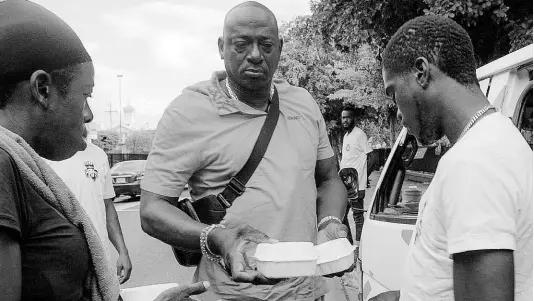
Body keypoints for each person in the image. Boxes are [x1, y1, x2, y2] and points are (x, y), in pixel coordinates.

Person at [0, 1, 212, 300]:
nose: (87, 115)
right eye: (85, 95)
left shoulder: (22, 168)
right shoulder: (2, 166)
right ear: (42, 89)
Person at [140, 1, 350, 300]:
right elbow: (152, 210)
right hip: (229, 294)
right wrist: (216, 238)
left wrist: (329, 222)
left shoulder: (302, 103)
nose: (255, 55)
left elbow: (329, 178)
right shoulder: (187, 112)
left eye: (265, 45)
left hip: (306, 291)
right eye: (241, 44)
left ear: (279, 47)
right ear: (221, 46)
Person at [371, 15, 532, 301]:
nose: (397, 110)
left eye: (393, 93)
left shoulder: (473, 161)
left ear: (421, 71)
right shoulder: (494, 141)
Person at [45, 125, 133, 285]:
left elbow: (107, 206)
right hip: (62, 265)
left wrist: (122, 251)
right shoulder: (44, 155)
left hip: (100, 263)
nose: (87, 115)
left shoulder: (98, 154)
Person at [339, 105, 373, 247]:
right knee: (341, 215)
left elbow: (372, 157)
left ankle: (359, 246)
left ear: (353, 118)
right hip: (345, 183)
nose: (344, 120)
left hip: (356, 185)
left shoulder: (359, 134)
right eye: (343, 118)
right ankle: (349, 244)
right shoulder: (346, 136)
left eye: (347, 117)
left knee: (358, 216)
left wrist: (362, 179)